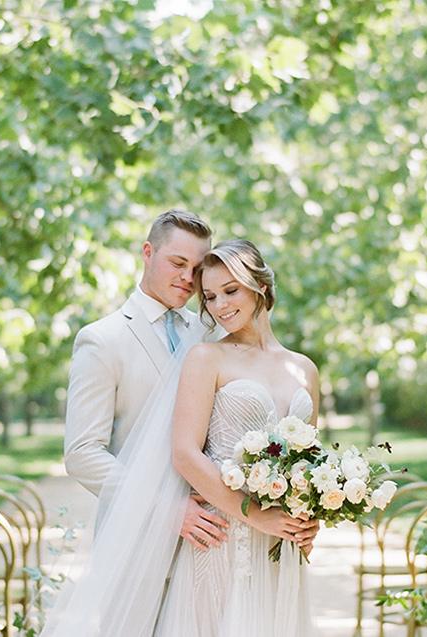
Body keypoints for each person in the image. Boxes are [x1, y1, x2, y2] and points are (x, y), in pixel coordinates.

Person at [43, 239, 319, 637]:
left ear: (260, 285)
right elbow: (184, 454)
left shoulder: (304, 369)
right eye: (209, 296)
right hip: (219, 533)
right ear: (147, 252)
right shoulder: (204, 355)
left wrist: (311, 520)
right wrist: (251, 514)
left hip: (280, 543)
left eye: (230, 291)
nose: (219, 305)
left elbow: (310, 463)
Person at [63, 209, 229, 550]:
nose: (188, 277)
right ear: (148, 253)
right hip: (134, 543)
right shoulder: (102, 339)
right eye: (177, 263)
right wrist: (161, 507)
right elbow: (81, 453)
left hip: (210, 544)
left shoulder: (211, 334)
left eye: (197, 270)